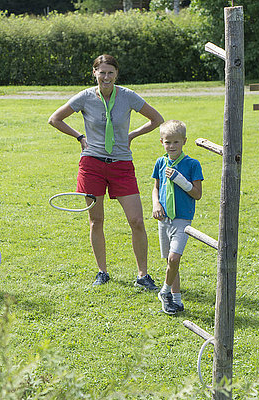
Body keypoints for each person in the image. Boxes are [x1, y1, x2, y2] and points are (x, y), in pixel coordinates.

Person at [48, 54, 164, 289]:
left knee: (137, 220)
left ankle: (143, 275)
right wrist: (79, 137)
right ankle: (102, 272)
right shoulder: (85, 97)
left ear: (116, 74)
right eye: (102, 72)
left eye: (111, 72)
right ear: (94, 73)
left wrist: (132, 135)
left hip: (121, 164)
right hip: (92, 165)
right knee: (95, 220)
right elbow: (55, 119)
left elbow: (157, 119)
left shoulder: (128, 96)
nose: (106, 77)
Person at [152, 120, 203, 314]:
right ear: (162, 142)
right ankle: (176, 300)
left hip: (182, 218)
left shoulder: (192, 164)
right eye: (167, 142)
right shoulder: (160, 162)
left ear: (184, 142)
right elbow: (156, 187)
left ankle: (164, 291)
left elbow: (197, 194)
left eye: (176, 142)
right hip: (164, 219)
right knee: (170, 263)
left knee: (174, 258)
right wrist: (156, 204)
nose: (171, 146)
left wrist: (179, 179)